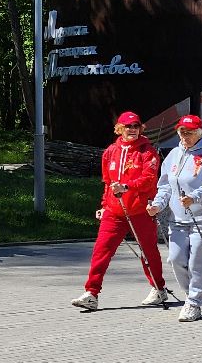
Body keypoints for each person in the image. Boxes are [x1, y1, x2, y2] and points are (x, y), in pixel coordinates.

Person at [72, 112, 168, 311]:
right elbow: (108, 183)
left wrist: (126, 186)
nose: (132, 129)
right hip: (114, 211)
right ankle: (91, 293)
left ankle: (159, 288)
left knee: (148, 251)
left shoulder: (148, 152)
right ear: (119, 129)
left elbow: (149, 180)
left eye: (136, 126)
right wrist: (103, 205)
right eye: (128, 126)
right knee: (101, 251)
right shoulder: (110, 152)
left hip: (140, 210)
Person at [148, 114, 202, 322]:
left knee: (198, 262)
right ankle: (191, 295)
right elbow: (165, 186)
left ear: (199, 133)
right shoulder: (174, 154)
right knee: (176, 259)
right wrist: (157, 205)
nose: (184, 136)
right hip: (178, 218)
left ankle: (194, 302)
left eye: (189, 132)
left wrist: (194, 197)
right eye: (182, 132)